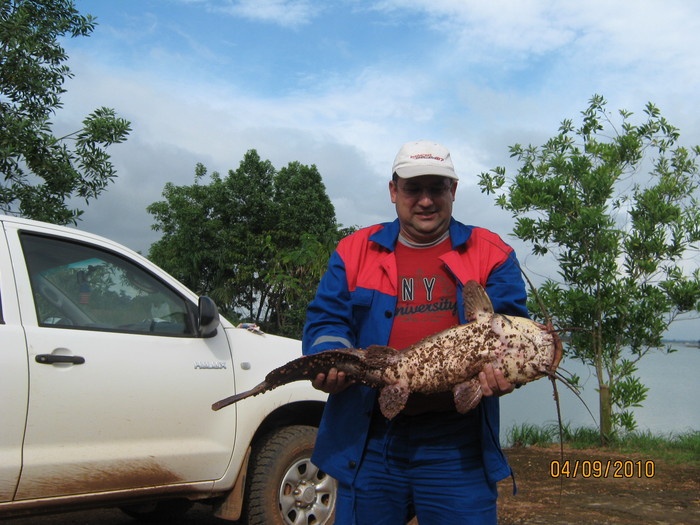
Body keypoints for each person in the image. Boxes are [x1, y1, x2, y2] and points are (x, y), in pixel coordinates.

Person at [302, 140, 529, 525]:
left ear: (453, 191)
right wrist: (334, 355)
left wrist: (504, 373)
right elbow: (326, 320)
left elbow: (510, 333)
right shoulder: (355, 250)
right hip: (370, 436)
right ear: (394, 191)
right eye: (413, 188)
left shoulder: (492, 253)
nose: (425, 200)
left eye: (437, 188)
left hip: (458, 446)